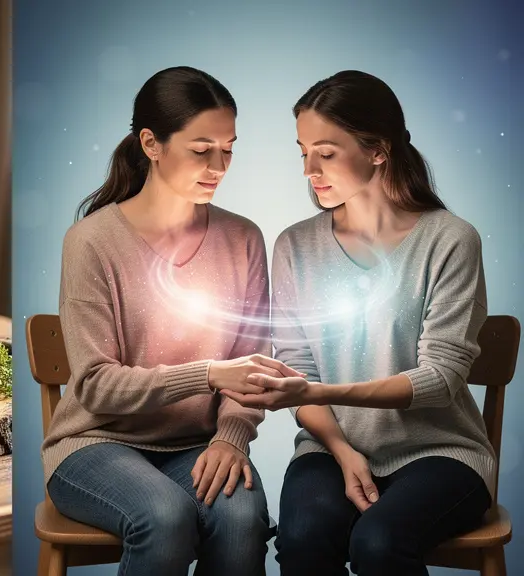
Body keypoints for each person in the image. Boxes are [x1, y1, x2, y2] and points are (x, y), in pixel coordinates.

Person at [224, 71, 495, 576]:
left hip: (440, 452)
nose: (309, 169)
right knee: (302, 538)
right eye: (302, 150)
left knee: (379, 541)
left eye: (326, 152)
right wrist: (345, 452)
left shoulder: (451, 240)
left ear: (378, 150)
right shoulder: (294, 246)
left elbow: (439, 381)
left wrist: (320, 392)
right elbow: (299, 368)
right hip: (328, 447)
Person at [41, 66, 293, 576]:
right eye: (201, 149)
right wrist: (207, 374)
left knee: (243, 520)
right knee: (165, 515)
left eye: (228, 148)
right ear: (151, 144)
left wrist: (231, 437)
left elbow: (253, 368)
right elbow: (94, 386)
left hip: (198, 445)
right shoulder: (91, 242)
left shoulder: (243, 239)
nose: (218, 165)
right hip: (96, 444)